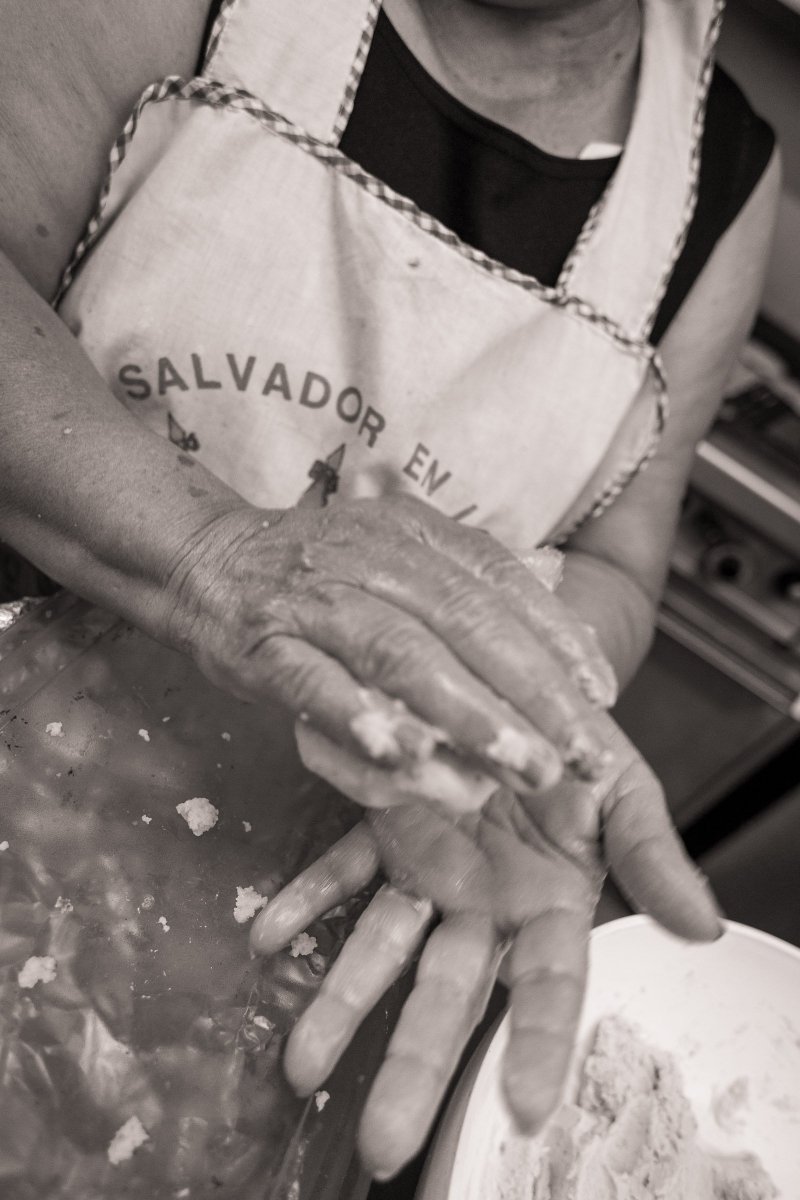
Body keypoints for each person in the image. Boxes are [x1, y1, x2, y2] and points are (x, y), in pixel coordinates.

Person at [0, 0, 778, 1185]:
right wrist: (216, 556)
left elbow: (619, 567)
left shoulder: (717, 179)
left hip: (285, 900)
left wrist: (505, 693)